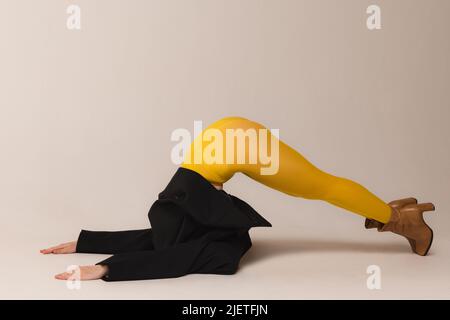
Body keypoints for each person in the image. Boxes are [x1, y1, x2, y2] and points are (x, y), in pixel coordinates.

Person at [41, 116, 435, 281]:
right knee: (321, 185)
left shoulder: (212, 247)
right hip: (223, 142)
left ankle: (402, 218)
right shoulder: (178, 222)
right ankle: (394, 211)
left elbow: (169, 256)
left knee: (322, 186)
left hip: (234, 147)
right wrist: (88, 246)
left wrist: (107, 267)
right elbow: (152, 242)